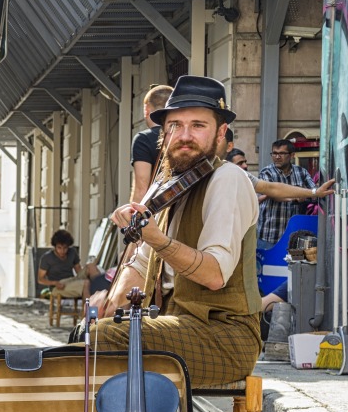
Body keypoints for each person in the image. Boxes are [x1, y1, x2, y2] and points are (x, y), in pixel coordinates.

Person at [88, 75, 261, 388]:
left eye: (198, 125)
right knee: (86, 340)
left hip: (224, 336)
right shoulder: (167, 187)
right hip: (174, 323)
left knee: (106, 339)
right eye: (175, 126)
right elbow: (141, 266)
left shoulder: (229, 180)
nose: (185, 135)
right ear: (163, 133)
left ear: (220, 132)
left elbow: (215, 274)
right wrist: (110, 303)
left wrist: (158, 239)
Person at [257, 139, 316, 249]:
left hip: (295, 236)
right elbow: (274, 194)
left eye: (282, 153)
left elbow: (314, 192)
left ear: (292, 155)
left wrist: (305, 196)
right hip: (270, 236)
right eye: (274, 153)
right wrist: (296, 196)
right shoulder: (267, 172)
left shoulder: (301, 172)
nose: (277, 157)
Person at [130, 84, 173, 203]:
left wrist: (132, 219)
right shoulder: (180, 134)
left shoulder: (143, 139)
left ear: (147, 109)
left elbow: (141, 188)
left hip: (156, 211)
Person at [37, 229, 101, 299]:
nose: (62, 251)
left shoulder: (72, 252)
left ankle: (101, 290)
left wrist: (89, 276)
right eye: (59, 248)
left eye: (65, 248)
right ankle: (91, 309)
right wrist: (54, 283)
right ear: (55, 246)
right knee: (86, 284)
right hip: (58, 286)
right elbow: (40, 279)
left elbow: (78, 271)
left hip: (72, 280)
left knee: (91, 266)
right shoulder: (47, 258)